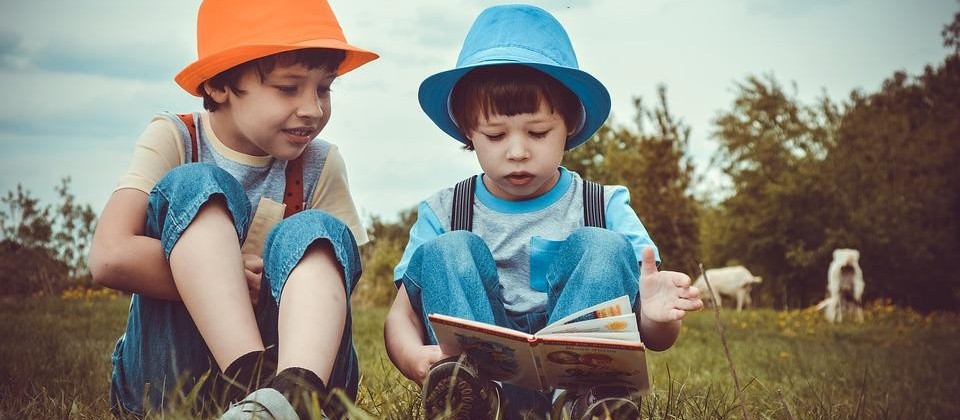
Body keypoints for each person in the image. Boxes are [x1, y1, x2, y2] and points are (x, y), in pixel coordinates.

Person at [383, 4, 703, 420]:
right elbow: (400, 316)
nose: (517, 152)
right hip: (482, 381)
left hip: (581, 378)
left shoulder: (602, 205)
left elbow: (656, 336)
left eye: (537, 132)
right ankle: (472, 396)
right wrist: (411, 357)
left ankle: (586, 401)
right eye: (495, 135)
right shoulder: (443, 211)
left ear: (568, 124)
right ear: (468, 132)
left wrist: (657, 319)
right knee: (447, 250)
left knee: (603, 245)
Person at [88, 0, 377, 418]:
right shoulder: (176, 139)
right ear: (218, 85)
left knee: (316, 231)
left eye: (324, 87)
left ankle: (294, 395)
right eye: (288, 87)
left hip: (301, 370)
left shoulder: (320, 163)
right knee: (197, 186)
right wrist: (224, 276)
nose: (313, 108)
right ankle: (253, 380)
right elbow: (109, 256)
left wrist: (276, 282)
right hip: (171, 381)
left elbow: (334, 282)